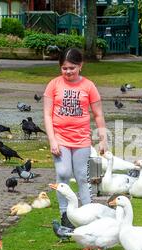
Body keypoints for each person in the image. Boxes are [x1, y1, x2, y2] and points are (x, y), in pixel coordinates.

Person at [43, 48, 108, 228]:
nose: (68, 72)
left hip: (81, 140)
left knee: (82, 177)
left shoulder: (88, 86)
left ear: (80, 66)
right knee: (63, 173)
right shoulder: (53, 85)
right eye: (64, 68)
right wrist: (52, 140)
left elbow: (98, 114)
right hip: (60, 138)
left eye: (72, 68)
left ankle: (87, 214)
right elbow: (47, 115)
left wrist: (103, 138)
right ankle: (65, 215)